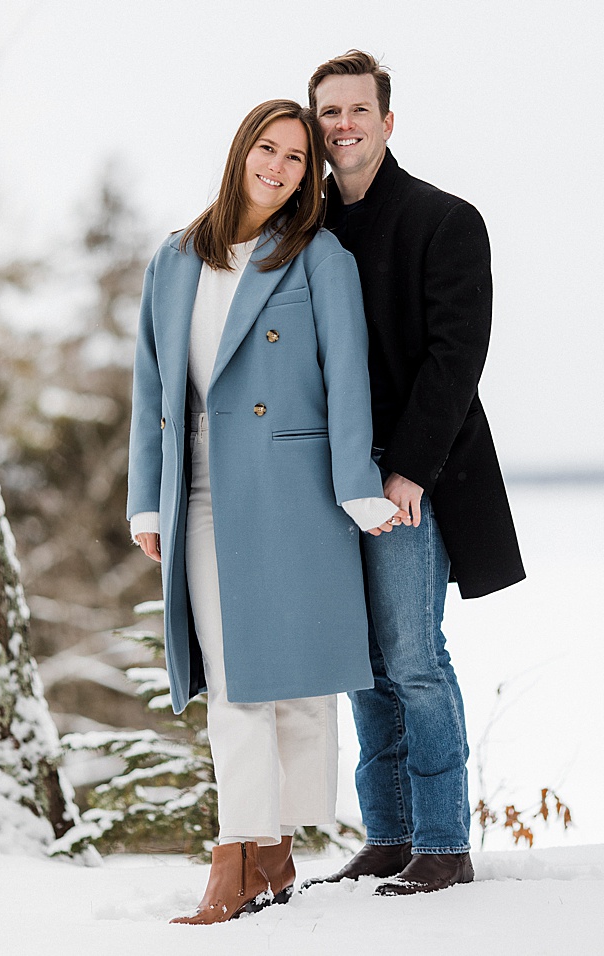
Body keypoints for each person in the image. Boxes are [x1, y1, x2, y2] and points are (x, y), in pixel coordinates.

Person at [128, 98, 405, 925]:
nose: (279, 168)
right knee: (234, 673)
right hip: (201, 488)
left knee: (292, 680)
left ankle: (259, 851)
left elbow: (348, 374)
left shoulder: (317, 256)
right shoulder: (174, 260)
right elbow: (152, 390)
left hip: (297, 487)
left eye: (296, 157)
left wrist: (356, 483)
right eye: (267, 148)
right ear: (241, 150)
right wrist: (147, 497)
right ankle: (247, 849)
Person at [304, 51, 525, 897]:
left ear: (387, 122)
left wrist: (408, 473)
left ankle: (442, 843)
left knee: (412, 655)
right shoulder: (309, 227)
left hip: (414, 480)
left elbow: (455, 358)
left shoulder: (444, 220)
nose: (344, 125)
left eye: (359, 110)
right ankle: (387, 835)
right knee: (361, 661)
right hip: (332, 482)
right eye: (330, 113)